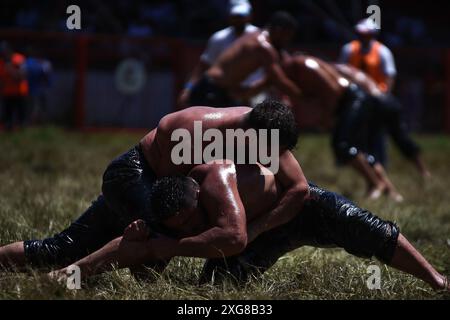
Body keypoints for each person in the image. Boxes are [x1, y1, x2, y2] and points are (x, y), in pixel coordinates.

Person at [0, 101, 309, 272]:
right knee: (153, 242)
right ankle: (70, 276)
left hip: (161, 185)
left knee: (63, 248)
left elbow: (299, 189)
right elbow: (171, 201)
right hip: (133, 176)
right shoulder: (193, 133)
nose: (272, 158)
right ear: (254, 137)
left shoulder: (264, 131)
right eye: (270, 150)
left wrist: (256, 229)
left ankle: (71, 271)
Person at [46, 161, 448, 292]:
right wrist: (76, 271)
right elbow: (144, 258)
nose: (179, 232)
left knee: (367, 229)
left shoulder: (217, 183)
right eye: (174, 228)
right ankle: (66, 274)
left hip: (304, 209)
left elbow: (233, 237)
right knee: (216, 291)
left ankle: (438, 280)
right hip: (261, 235)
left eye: (184, 226)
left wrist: (167, 247)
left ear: (196, 204)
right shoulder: (173, 204)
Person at [188, 11, 302, 107]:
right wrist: (303, 96)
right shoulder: (264, 47)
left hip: (219, 89)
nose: (287, 41)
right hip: (212, 90)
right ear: (278, 30)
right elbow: (278, 79)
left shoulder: (254, 35)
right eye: (287, 36)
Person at [178, 1, 263, 108]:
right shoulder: (219, 38)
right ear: (229, 16)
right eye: (235, 16)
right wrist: (188, 88)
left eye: (242, 16)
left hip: (255, 93)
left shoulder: (259, 37)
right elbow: (203, 66)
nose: (239, 20)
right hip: (226, 94)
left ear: (249, 16)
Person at [339, 18, 398, 167]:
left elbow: (390, 75)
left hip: (375, 97)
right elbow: (341, 70)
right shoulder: (349, 49)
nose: (361, 36)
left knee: (376, 132)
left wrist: (384, 96)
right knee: (350, 130)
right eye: (359, 33)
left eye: (365, 33)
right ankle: (348, 160)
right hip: (353, 97)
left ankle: (380, 161)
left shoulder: (382, 51)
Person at [0, 42, 29, 131]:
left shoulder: (18, 59)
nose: (3, 54)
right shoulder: (1, 62)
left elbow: (22, 76)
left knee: (21, 117)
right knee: (7, 117)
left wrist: (11, 70)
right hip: (7, 93)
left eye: (4, 52)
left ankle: (22, 133)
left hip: (20, 93)